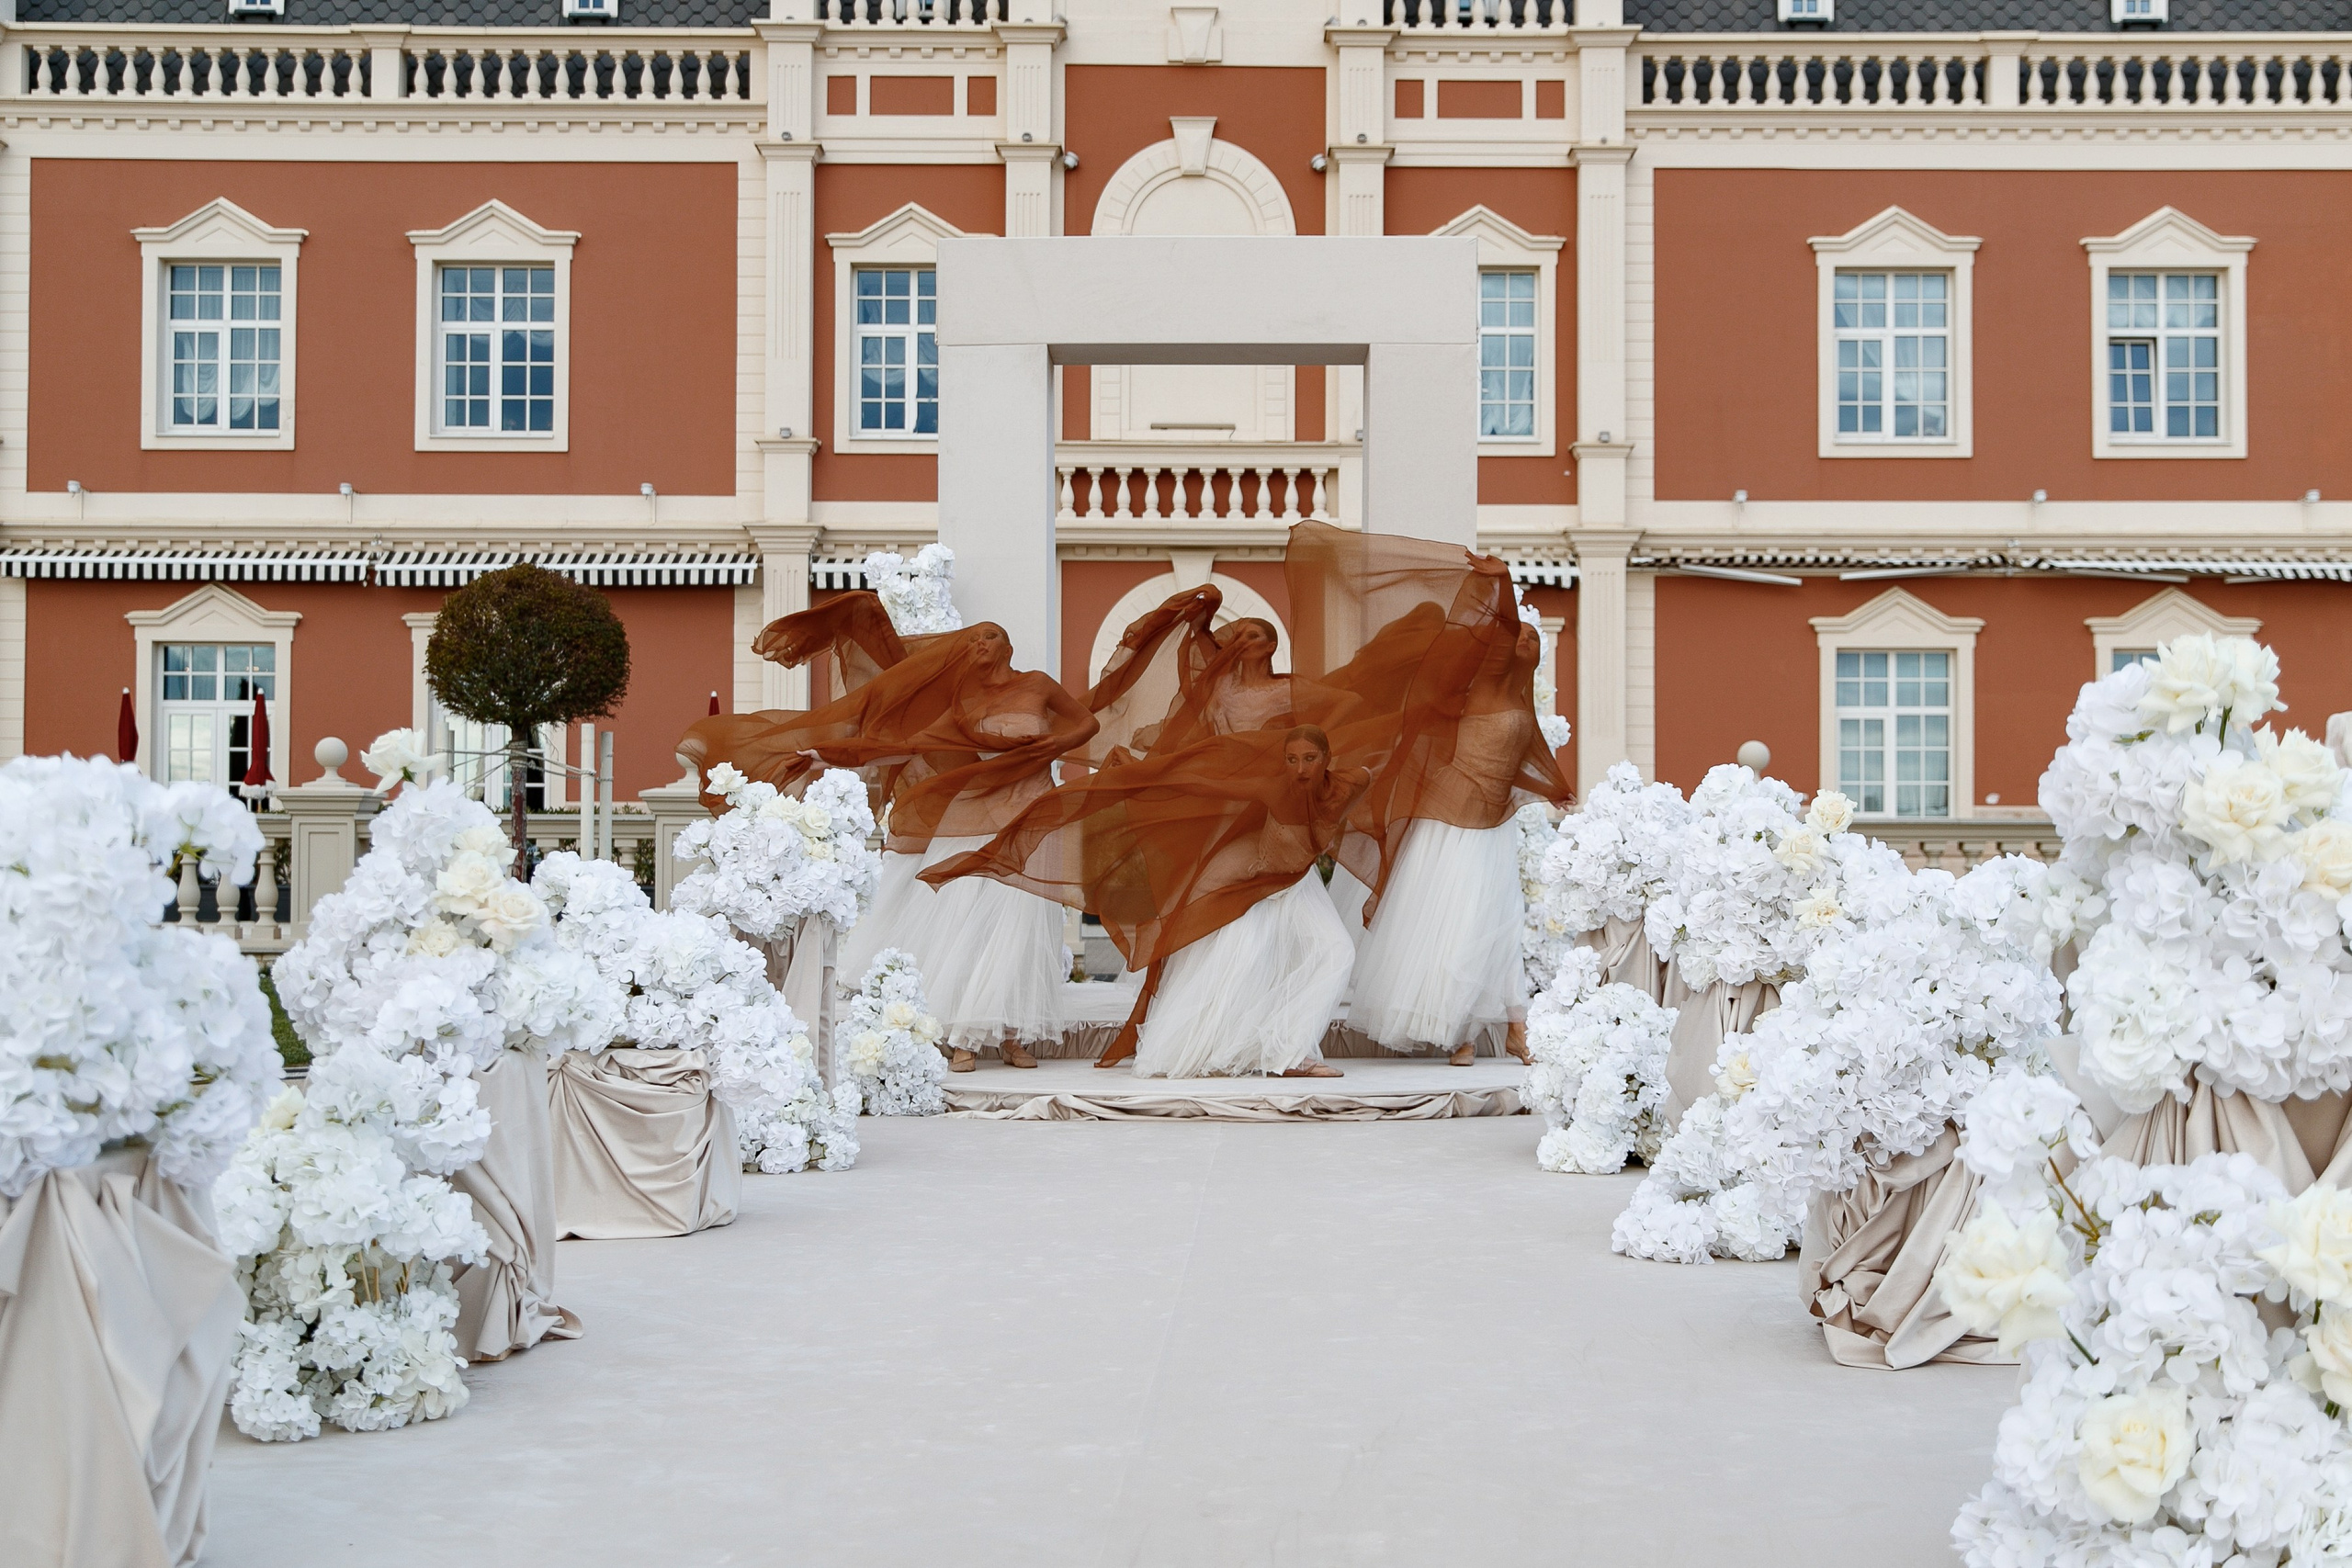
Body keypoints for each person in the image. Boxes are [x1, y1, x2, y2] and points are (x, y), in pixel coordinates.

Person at [680, 608, 1098, 1072]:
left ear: (1008, 647)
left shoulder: (1038, 684)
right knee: (965, 926)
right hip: (971, 818)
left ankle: (1013, 1037)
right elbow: (903, 745)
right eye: (974, 638)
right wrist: (826, 756)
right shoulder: (962, 703)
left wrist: (1055, 745)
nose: (981, 643)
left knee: (1022, 928)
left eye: (991, 636)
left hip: (1031, 814)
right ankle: (963, 1036)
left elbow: (1087, 724)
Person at [1348, 613, 1567, 1066]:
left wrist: (1553, 790)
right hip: (1450, 819)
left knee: (1501, 921)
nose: (1527, 639)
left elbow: (1520, 761)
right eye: (1520, 634)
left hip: (1493, 826)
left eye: (1534, 636)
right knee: (1463, 920)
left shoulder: (1520, 702)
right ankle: (1463, 1032)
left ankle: (1514, 1027)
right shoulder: (1474, 690)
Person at [1127, 727, 1356, 1079]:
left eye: (1310, 759)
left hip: (1300, 884)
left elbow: (1378, 771)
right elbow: (1207, 786)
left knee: (1338, 951)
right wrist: (1145, 776)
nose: (1300, 769)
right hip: (1254, 884)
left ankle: (1289, 1050)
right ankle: (1257, 1051)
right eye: (1291, 760)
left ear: (1327, 759)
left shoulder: (1350, 785)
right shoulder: (1273, 789)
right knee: (1242, 962)